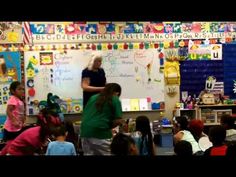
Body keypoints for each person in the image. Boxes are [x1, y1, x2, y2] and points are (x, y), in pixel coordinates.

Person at [80, 83, 124, 155]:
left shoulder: (93, 97)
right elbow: (118, 120)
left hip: (84, 132)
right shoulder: (114, 98)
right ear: (117, 92)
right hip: (100, 133)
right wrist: (108, 127)